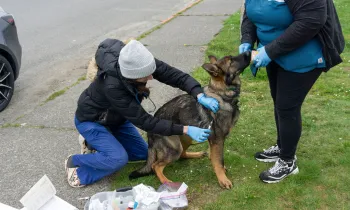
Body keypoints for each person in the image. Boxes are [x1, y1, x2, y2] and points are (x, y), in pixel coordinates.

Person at [65, 39, 220, 187]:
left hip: (118, 119)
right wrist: (186, 129)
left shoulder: (142, 62)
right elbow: (146, 122)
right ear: (131, 77)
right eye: (146, 76)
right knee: (118, 159)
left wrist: (199, 94)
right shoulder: (112, 86)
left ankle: (94, 143)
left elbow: (176, 76)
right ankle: (77, 164)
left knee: (144, 154)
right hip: (92, 121)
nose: (152, 76)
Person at [239, 0, 344, 183]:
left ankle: (288, 161)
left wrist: (270, 51)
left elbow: (310, 21)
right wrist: (247, 39)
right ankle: (282, 146)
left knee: (287, 106)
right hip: (272, 53)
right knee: (278, 100)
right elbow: (250, 12)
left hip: (303, 54)